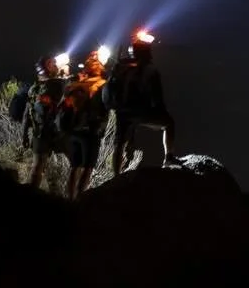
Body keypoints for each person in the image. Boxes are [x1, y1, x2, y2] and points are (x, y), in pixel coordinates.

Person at [106, 29, 174, 178]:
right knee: (169, 124)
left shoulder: (120, 67)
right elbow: (157, 96)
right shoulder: (150, 69)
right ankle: (168, 158)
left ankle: (115, 176)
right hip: (142, 111)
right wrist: (159, 110)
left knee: (119, 143)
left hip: (122, 111)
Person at [58, 48, 110, 198]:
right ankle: (79, 202)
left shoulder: (76, 83)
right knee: (87, 168)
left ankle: (69, 200)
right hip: (90, 131)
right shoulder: (101, 84)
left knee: (75, 167)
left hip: (73, 130)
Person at [23, 54, 70, 190]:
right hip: (55, 133)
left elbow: (27, 114)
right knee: (77, 162)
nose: (55, 65)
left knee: (37, 167)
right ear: (46, 68)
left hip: (39, 133)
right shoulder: (55, 84)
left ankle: (32, 195)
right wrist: (65, 77)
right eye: (52, 63)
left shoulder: (34, 88)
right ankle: (77, 200)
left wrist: (24, 135)